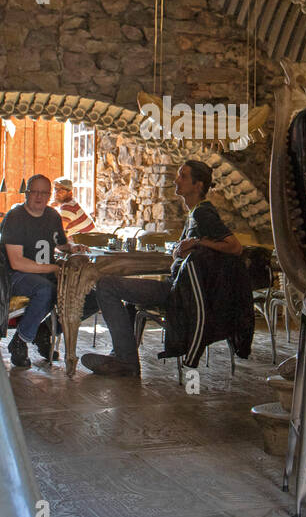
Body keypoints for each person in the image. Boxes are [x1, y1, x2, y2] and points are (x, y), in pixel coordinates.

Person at [83, 160, 242, 377]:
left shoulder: (203, 214)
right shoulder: (196, 212)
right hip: (177, 288)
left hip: (178, 293)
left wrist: (197, 243)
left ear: (198, 185)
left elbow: (235, 247)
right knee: (126, 293)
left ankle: (125, 360)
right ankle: (122, 355)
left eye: (183, 176)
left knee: (106, 285)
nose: (176, 180)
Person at [0, 174, 78, 366]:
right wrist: (53, 267)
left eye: (44, 193)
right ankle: (21, 340)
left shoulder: (52, 216)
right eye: (34, 192)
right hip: (17, 276)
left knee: (89, 293)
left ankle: (46, 331)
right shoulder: (16, 217)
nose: (39, 197)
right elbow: (17, 262)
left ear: (49, 195)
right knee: (46, 290)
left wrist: (73, 248)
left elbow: (61, 244)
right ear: (27, 193)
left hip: (45, 275)